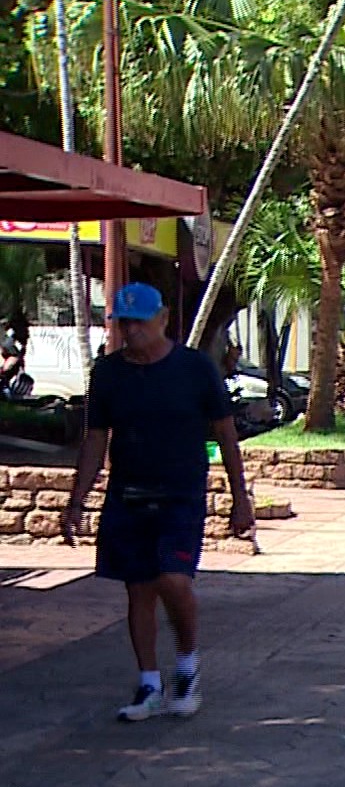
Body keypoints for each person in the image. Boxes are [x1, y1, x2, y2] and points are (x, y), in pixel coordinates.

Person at [60, 282, 254, 722]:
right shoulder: (108, 373)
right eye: (123, 323)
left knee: (174, 580)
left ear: (163, 319)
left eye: (139, 322)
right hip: (128, 495)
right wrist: (76, 500)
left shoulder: (195, 369)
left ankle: (186, 665)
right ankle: (149, 682)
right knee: (139, 589)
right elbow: (95, 439)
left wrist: (241, 499)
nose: (131, 332)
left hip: (180, 496)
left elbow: (226, 433)